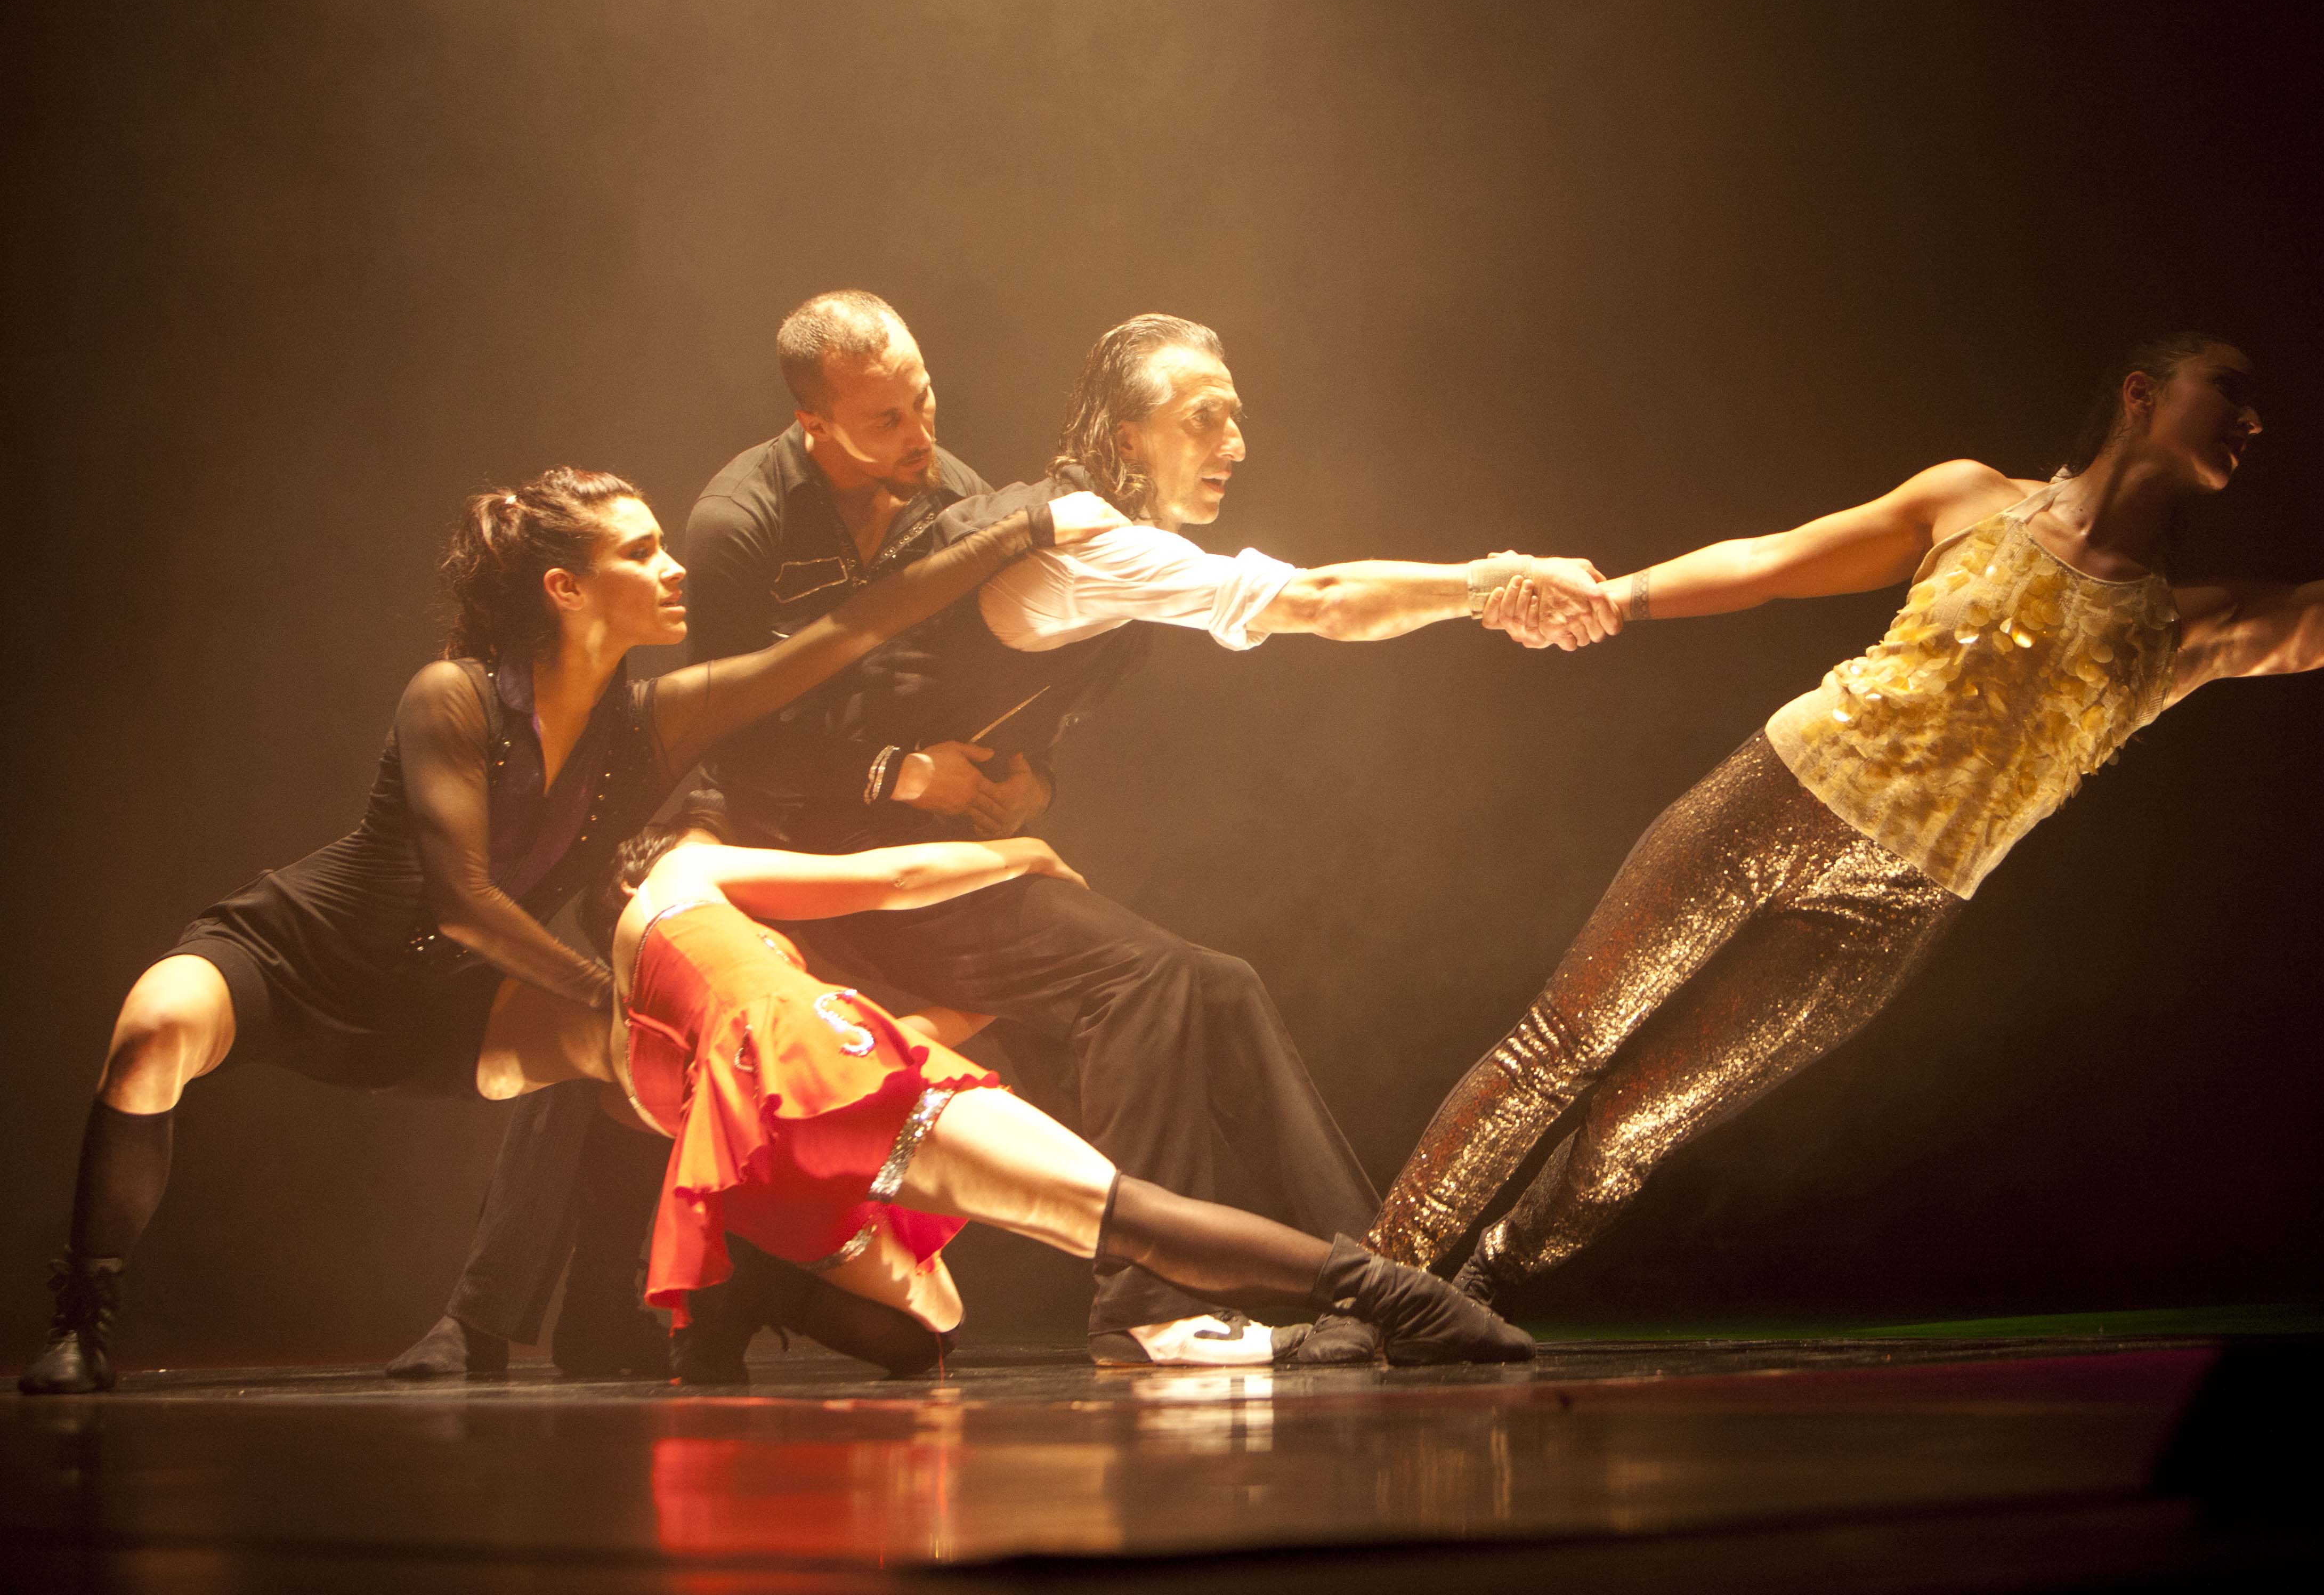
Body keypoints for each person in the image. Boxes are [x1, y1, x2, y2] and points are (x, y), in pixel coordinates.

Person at [1372, 334, 2324, 1305]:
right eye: (2234, 396)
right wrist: (1628, 594)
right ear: (2144, 397)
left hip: (1899, 905)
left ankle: (1478, 1284)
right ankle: (1371, 1279)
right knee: (1563, 1039)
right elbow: (1788, 561)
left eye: (2261, 414)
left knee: (1631, 1129)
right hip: (1775, 792)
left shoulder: (2192, 629)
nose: (2255, 425)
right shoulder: (1972, 500)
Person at [411, 299, 1608, 1379]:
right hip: (763, 827)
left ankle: (1383, 1278)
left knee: (1208, 985)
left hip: (885, 837)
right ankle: (1150, 1307)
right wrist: (1494, 578)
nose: (1235, 446)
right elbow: (748, 711)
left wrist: (1017, 789)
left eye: (925, 398)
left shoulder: (970, 504)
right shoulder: (765, 521)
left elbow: (981, 683)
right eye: (1207, 420)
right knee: (608, 1034)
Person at [19, 462, 1123, 1394]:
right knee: (152, 1030)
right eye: (641, 553)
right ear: (564, 587)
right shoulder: (451, 697)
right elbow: (463, 901)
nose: (673, 565)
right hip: (301, 956)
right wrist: (605, 993)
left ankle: (737, 1280)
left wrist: (1019, 528)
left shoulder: (653, 721)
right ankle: (84, 1312)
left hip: (453, 1004)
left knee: (675, 1063)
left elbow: (844, 633)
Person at [579, 808, 1537, 1378]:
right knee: (1125, 1215)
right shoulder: (681, 869)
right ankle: (1393, 1294)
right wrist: (1019, 853)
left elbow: (837, 1063)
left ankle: (755, 1293)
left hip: (762, 1149)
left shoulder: (636, 1030)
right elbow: (891, 877)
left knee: (928, 1329)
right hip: (810, 1066)